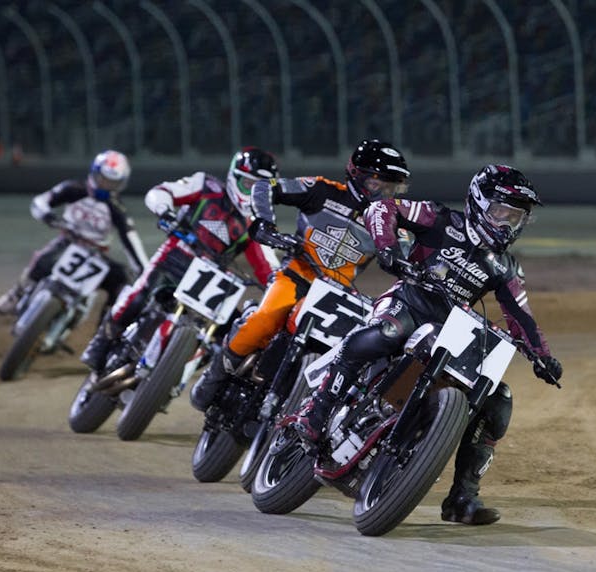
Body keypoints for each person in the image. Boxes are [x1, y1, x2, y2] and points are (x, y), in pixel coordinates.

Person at [289, 164, 563, 526]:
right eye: (502, 213)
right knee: (388, 333)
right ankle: (317, 410)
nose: (507, 225)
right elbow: (382, 208)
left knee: (499, 399)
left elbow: (521, 316)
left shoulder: (505, 267)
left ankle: (462, 498)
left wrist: (542, 356)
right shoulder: (439, 218)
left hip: (451, 335)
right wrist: (388, 249)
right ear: (479, 202)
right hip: (406, 305)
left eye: (516, 218)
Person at [189, 138, 411, 412]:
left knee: (350, 354)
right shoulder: (321, 190)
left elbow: (411, 257)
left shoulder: (387, 223)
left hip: (339, 296)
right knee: (263, 320)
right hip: (297, 276)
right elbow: (265, 186)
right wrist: (264, 224)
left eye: (393, 187)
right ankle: (215, 375)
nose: (386, 193)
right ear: (358, 175)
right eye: (380, 184)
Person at [79, 147, 280, 373]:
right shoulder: (207, 186)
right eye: (248, 184)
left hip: (211, 279)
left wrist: (278, 284)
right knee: (139, 295)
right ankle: (101, 342)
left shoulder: (255, 224)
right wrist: (165, 210)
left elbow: (267, 265)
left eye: (258, 187)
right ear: (234, 177)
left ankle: (190, 373)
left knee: (229, 335)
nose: (251, 192)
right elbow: (161, 192)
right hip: (176, 256)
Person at [0, 150, 148, 316]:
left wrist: (144, 270)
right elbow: (41, 201)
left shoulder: (117, 209)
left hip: (97, 254)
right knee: (42, 259)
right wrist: (47, 216)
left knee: (122, 279)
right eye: (104, 180)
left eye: (112, 183)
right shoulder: (74, 189)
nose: (106, 186)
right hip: (69, 241)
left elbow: (131, 239)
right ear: (95, 174)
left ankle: (107, 324)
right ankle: (18, 293)